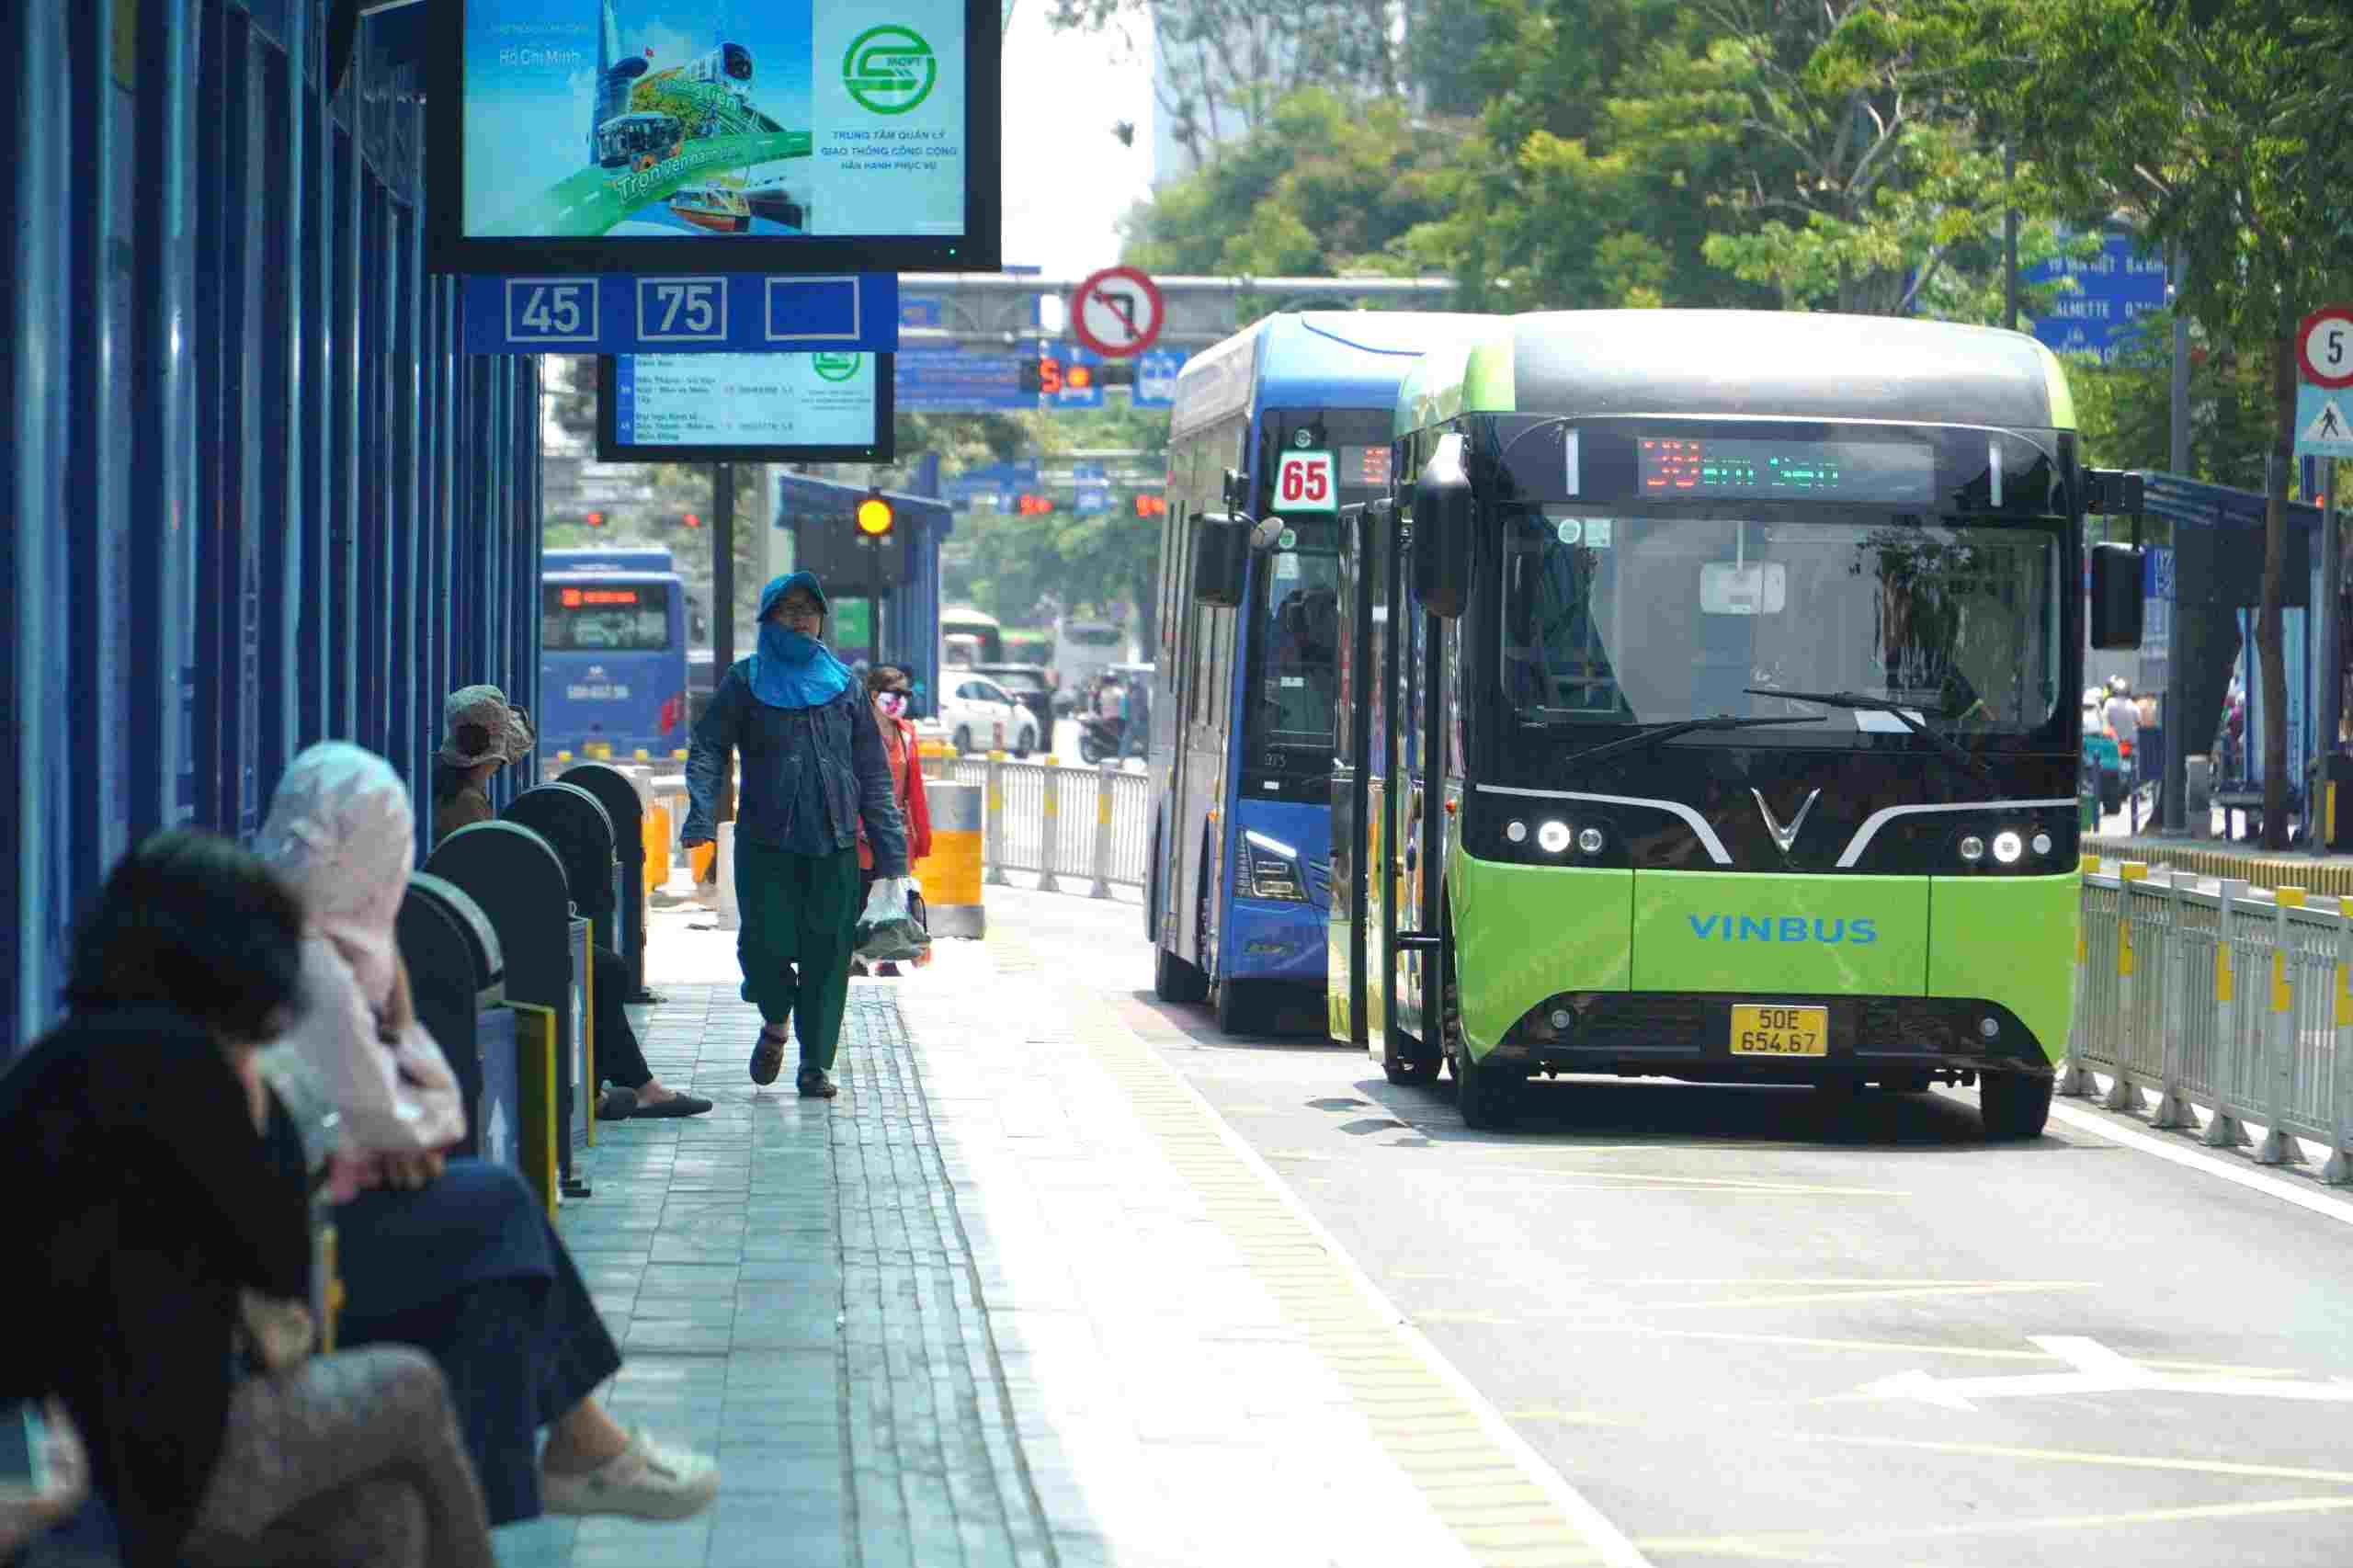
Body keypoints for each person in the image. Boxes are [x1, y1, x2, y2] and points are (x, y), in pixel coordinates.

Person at [0, 829, 496, 1568]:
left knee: (379, 1518)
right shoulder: (194, 1071)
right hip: (166, 1462)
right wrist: (256, 1100)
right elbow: (280, 1264)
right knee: (413, 1387)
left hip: (75, 1446)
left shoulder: (47, 1065)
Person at [257, 743, 719, 1527]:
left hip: (306, 1220)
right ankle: (561, 1462)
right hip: (305, 1246)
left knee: (497, 1259)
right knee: (497, 1218)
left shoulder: (285, 931)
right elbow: (434, 1121)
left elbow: (407, 1127)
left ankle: (557, 1462)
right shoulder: (324, 962)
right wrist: (400, 1018)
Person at [680, 571, 910, 1099]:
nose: (801, 617)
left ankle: (814, 1065)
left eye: (810, 608)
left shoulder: (845, 686)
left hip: (835, 848)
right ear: (767, 618)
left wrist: (892, 857)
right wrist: (700, 816)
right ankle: (775, 1018)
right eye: (788, 609)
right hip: (766, 844)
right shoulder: (745, 681)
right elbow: (709, 748)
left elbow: (872, 773)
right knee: (762, 950)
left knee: (829, 958)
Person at [433, 688, 710, 1120]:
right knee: (601, 969)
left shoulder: (459, 795)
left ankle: (626, 1086)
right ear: (498, 751)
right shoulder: (466, 806)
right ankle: (612, 1090)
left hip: (472, 934)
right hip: (480, 946)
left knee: (602, 968)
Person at [852, 665, 934, 979]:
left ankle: (889, 955)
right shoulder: (855, 730)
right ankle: (857, 956)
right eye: (894, 694)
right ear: (874, 696)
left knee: (895, 892)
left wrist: (922, 836)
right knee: (861, 894)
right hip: (860, 831)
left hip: (896, 829)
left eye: (905, 695)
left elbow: (915, 790)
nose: (900, 701)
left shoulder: (907, 734)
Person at [1120, 673, 1150, 762]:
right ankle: (1121, 761)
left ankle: (1147, 762)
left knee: (1145, 743)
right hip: (1134, 722)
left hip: (1141, 722)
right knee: (1126, 742)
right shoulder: (1132, 692)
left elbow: (1143, 707)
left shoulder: (1142, 692)